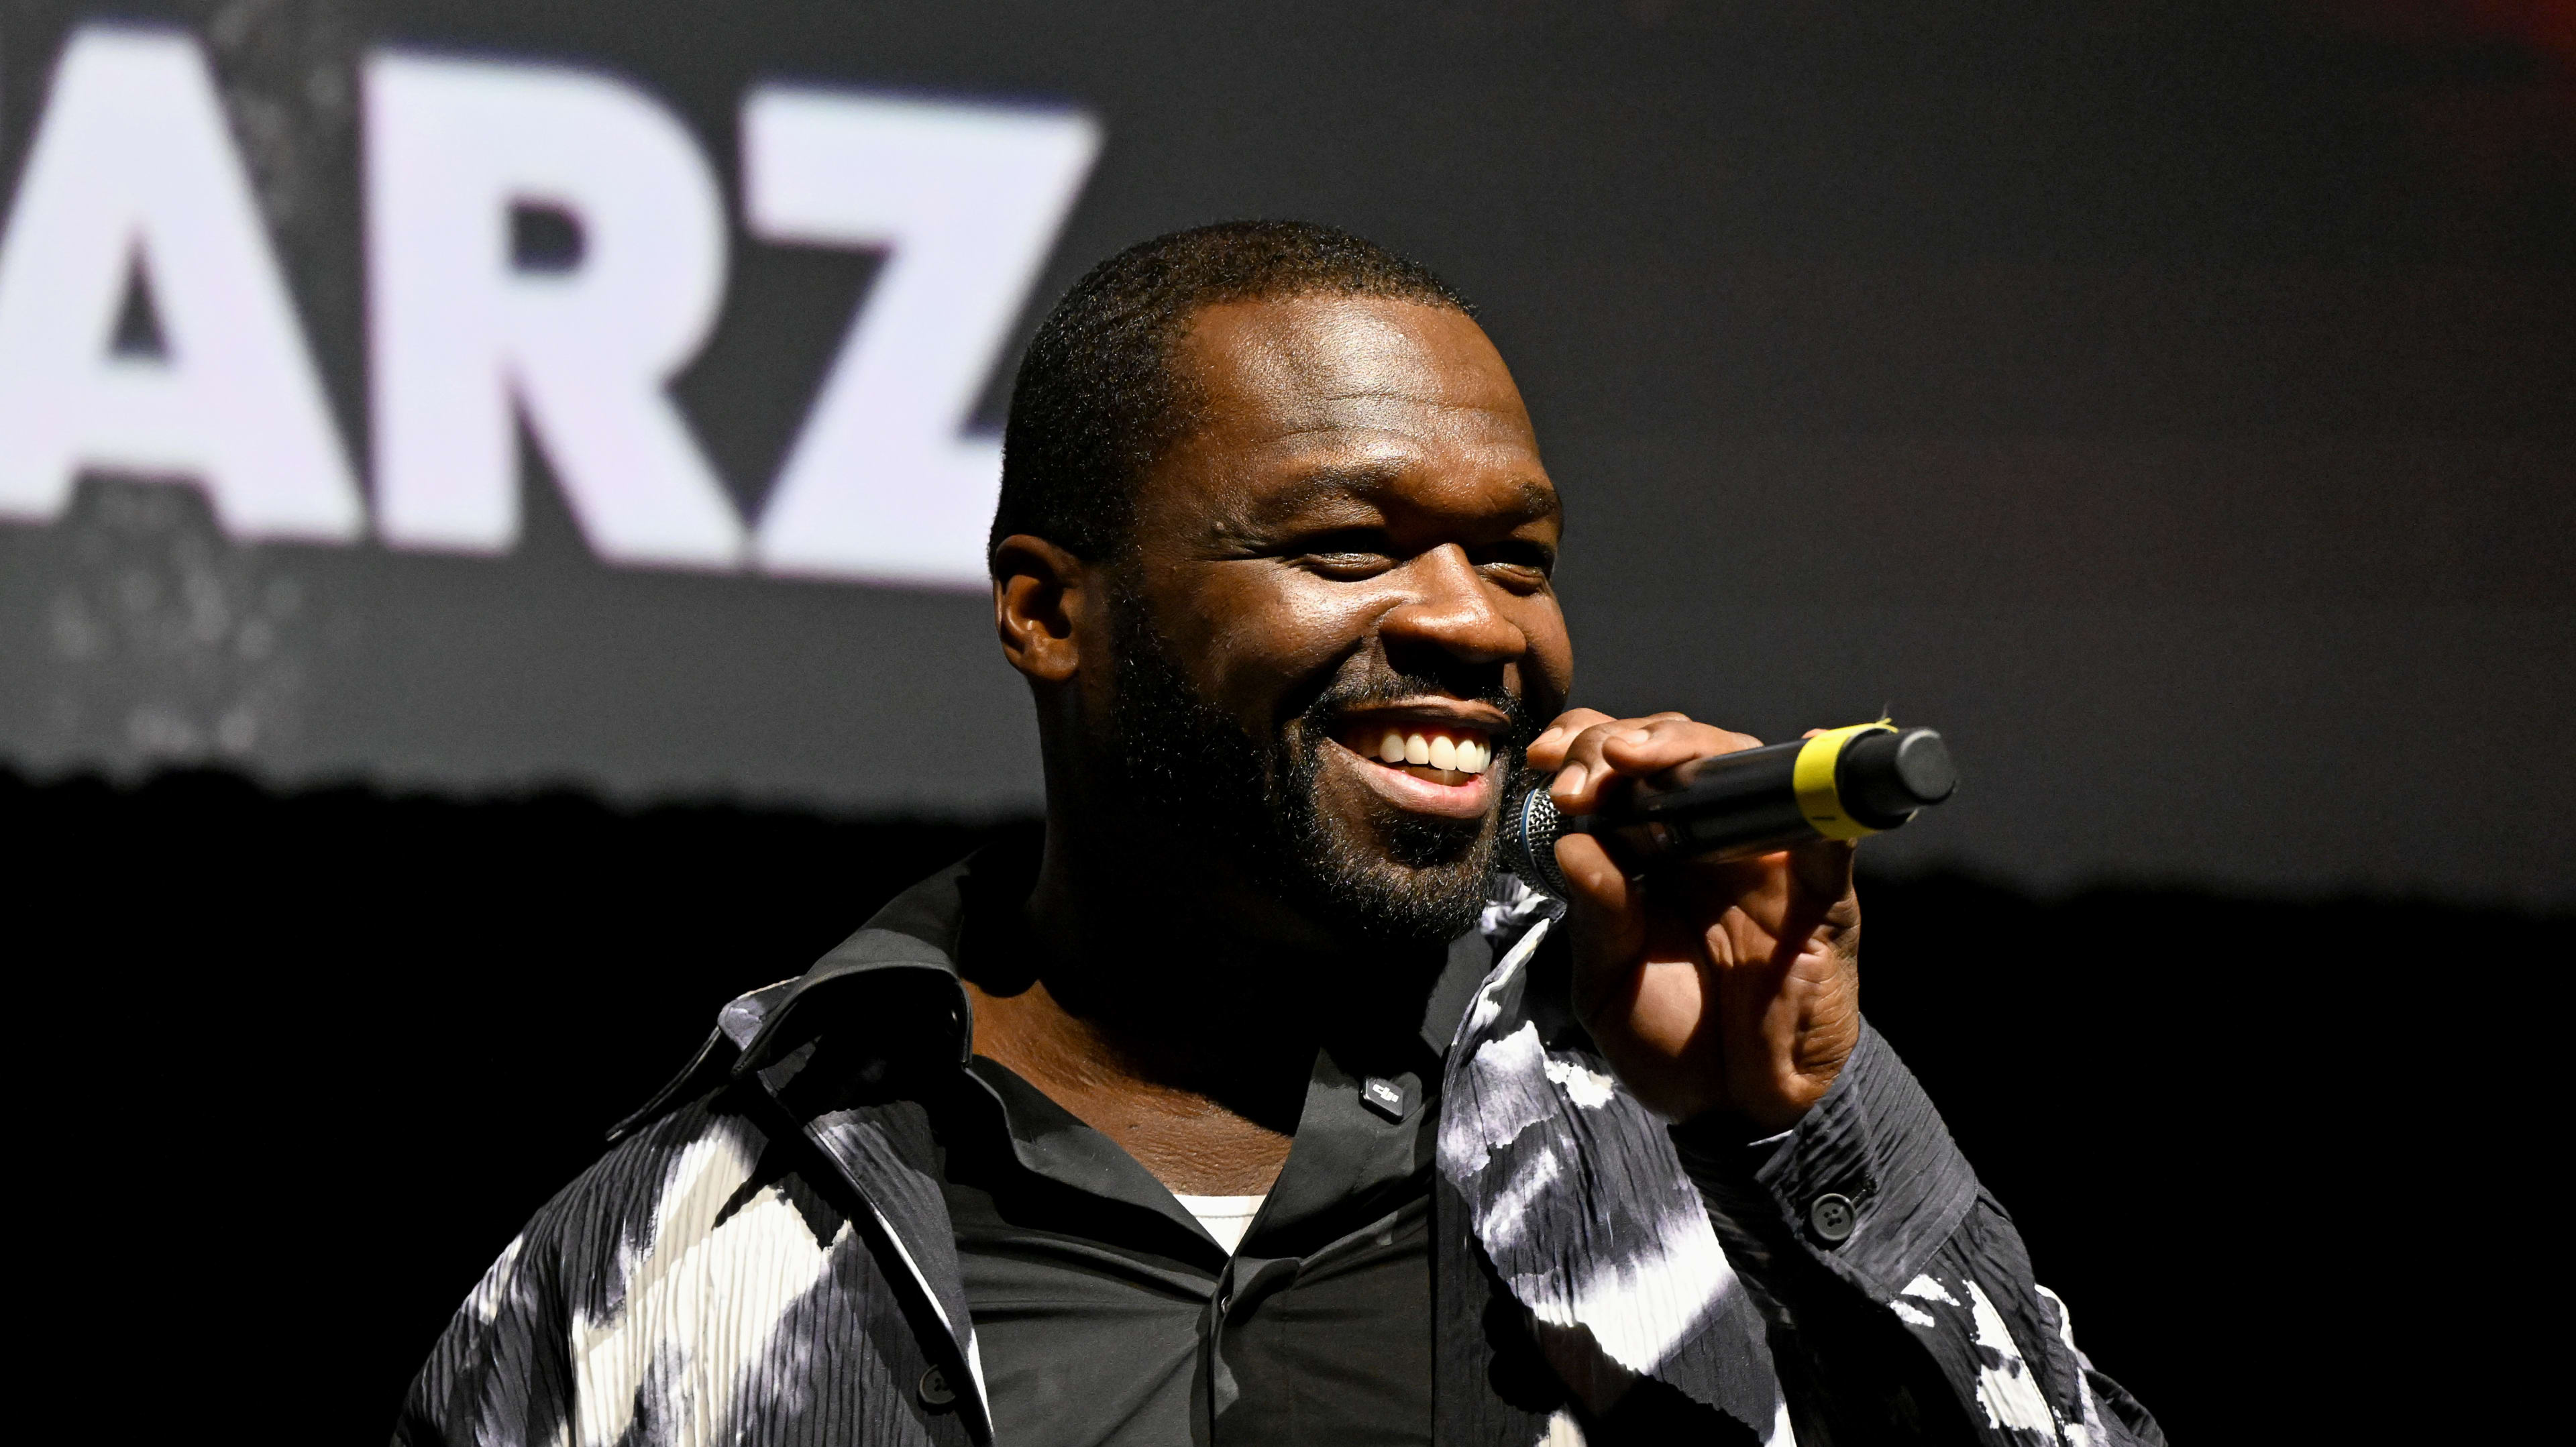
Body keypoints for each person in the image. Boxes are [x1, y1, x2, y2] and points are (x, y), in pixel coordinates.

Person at [394, 221, 2161, 1447]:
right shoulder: (678, 1255)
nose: (1482, 625)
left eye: (1520, 557)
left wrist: (1791, 1129)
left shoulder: (1704, 1166)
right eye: (1347, 544)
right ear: (1045, 610)